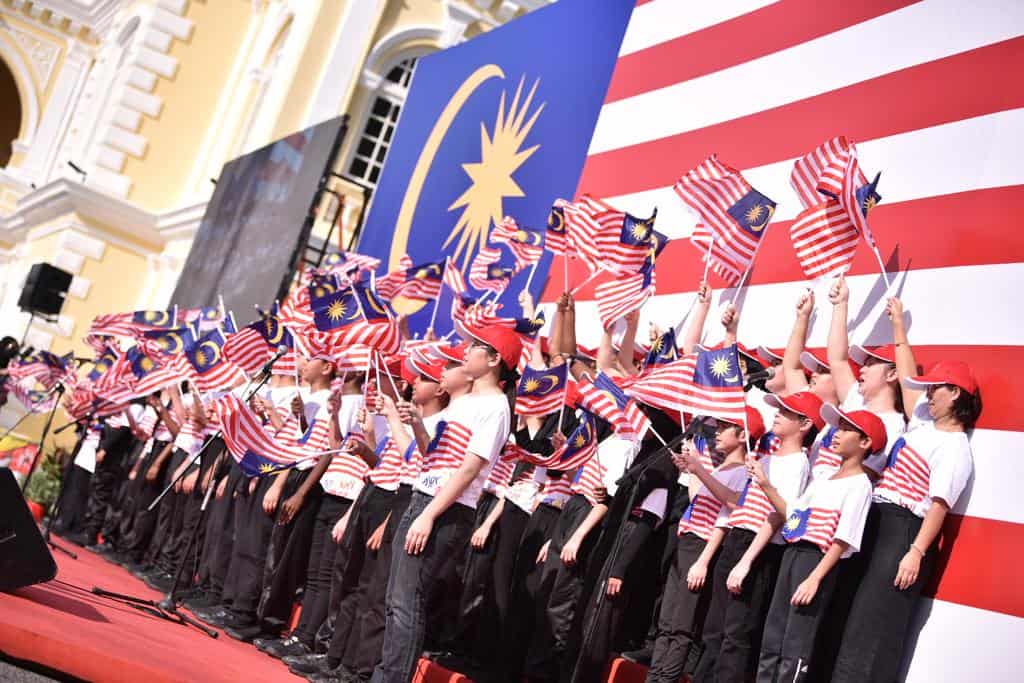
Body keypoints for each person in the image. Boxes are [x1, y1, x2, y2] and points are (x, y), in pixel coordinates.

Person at [829, 297, 981, 682]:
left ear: (955, 393)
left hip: (904, 532)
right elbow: (909, 377)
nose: (928, 395)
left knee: (873, 626)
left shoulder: (955, 447)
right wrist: (898, 325)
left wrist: (915, 552)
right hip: (877, 522)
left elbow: (938, 506)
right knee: (849, 614)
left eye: (936, 389)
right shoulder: (924, 423)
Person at [370, 324, 520, 683]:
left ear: (494, 360)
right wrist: (416, 425)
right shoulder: (463, 402)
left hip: (445, 511)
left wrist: (429, 515)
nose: (465, 351)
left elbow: (469, 469)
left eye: (474, 346)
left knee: (407, 603)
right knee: (395, 601)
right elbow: (431, 455)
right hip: (423, 499)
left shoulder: (497, 406)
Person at [691, 393, 820, 683]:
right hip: (737, 537)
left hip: (758, 547)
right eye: (779, 410)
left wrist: (747, 561)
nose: (778, 415)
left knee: (736, 634)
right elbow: (740, 502)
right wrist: (698, 471)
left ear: (804, 424)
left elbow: (780, 514)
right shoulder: (767, 459)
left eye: (786, 412)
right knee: (714, 630)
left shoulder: (798, 463)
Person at [754, 406, 886, 683]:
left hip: (816, 561)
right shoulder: (824, 477)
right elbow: (793, 517)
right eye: (838, 428)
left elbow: (843, 539)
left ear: (865, 442)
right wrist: (766, 485)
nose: (837, 434)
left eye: (847, 430)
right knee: (773, 636)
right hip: (793, 553)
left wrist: (814, 578)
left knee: (795, 642)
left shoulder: (860, 485)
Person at [643, 410, 756, 683]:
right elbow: (697, 498)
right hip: (687, 538)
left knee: (681, 624)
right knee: (667, 619)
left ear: (742, 436)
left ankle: (666, 678)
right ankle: (654, 677)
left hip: (702, 545)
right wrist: (691, 468)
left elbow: (729, 512)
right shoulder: (719, 469)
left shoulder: (742, 472)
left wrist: (703, 561)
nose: (717, 431)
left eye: (725, 427)